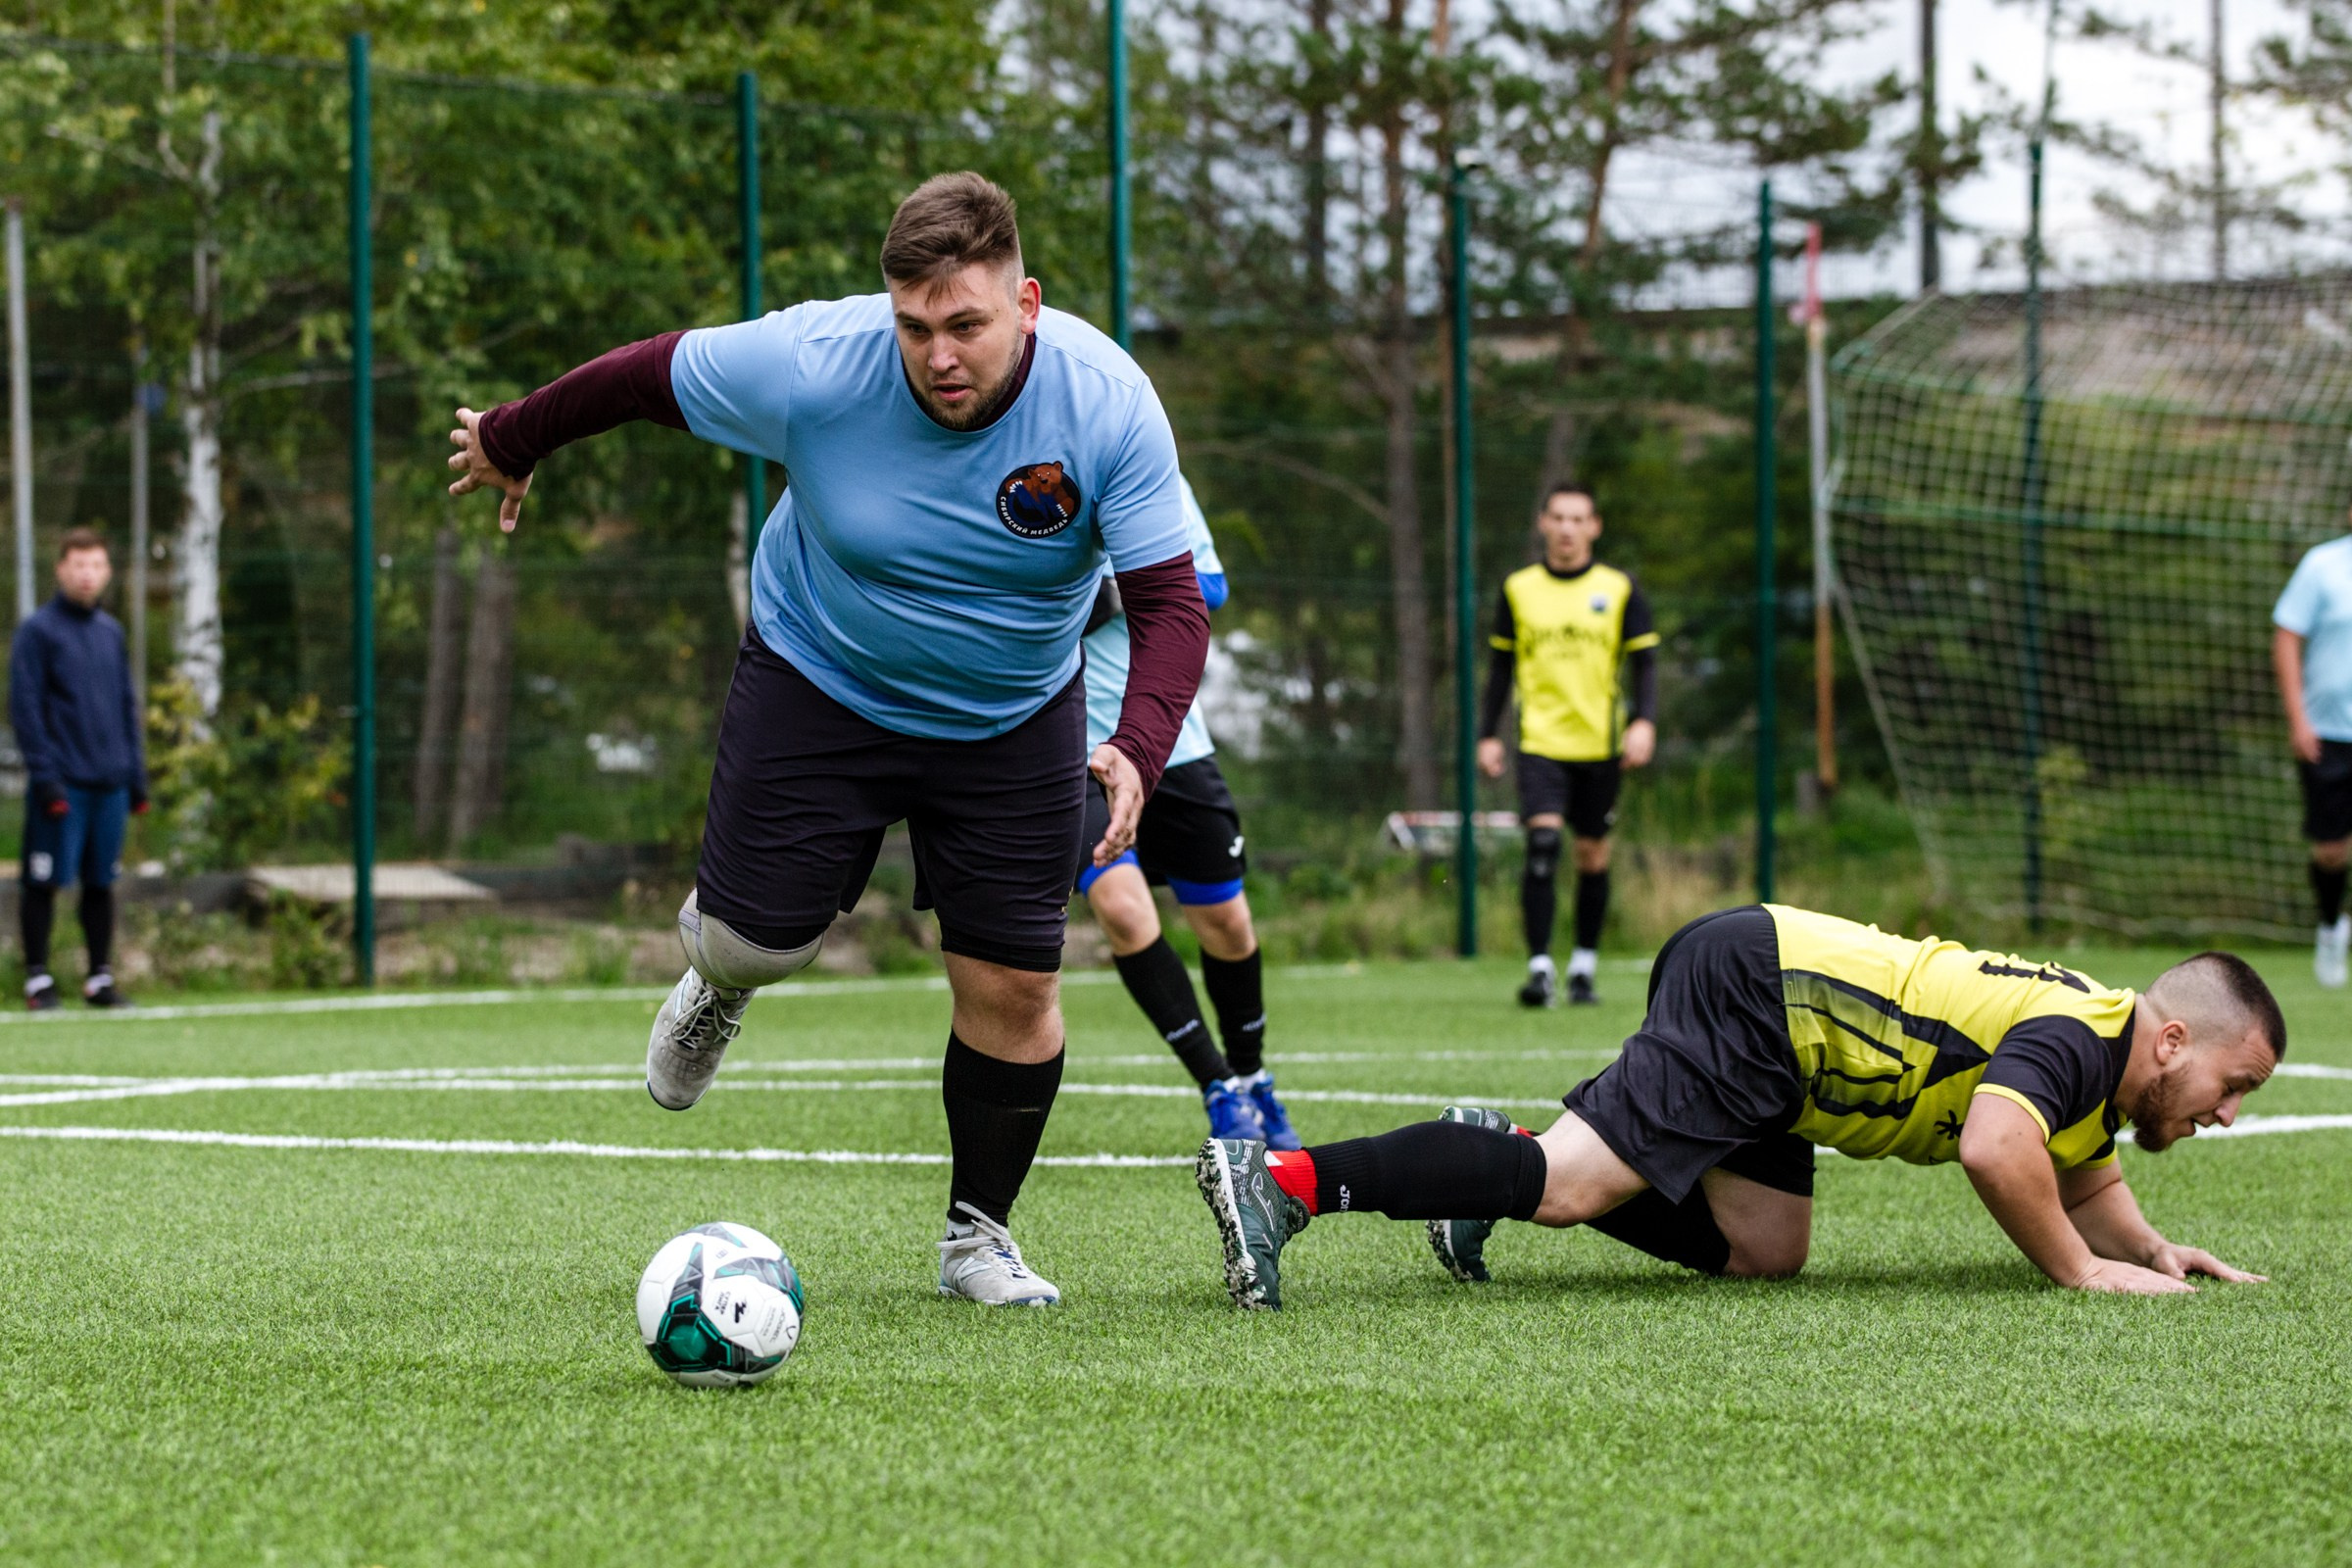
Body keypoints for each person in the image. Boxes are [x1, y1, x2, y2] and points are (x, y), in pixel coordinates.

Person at [446, 172, 1208, 1306]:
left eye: (966, 325)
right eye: (915, 326)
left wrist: (1135, 749)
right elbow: (643, 373)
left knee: (1014, 989)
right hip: (822, 677)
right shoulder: (815, 360)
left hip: (1009, 716)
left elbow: (1169, 607)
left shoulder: (1108, 403)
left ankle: (976, 1238)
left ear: (1027, 302)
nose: (938, 354)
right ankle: (720, 984)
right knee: (756, 940)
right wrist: (514, 437)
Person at [1198, 904, 2281, 1309]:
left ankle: (1489, 1155)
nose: (2229, 1112)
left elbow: (2083, 1169)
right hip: (1763, 992)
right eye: (2234, 1084)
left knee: (1765, 1249)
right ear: (2172, 1039)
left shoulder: (2104, 1068)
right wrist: (2083, 1271)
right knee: (1573, 1189)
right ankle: (1282, 1180)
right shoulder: (2081, 1038)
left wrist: (2150, 1245)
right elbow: (2003, 1149)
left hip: (1793, 1060)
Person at [1076, 474, 1296, 1149]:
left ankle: (1254, 1077)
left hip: (1169, 739)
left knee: (1225, 921)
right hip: (1072, 749)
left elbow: (1209, 584)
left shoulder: (1146, 469)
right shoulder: (998, 480)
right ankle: (1217, 1086)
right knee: (1121, 908)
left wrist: (1107, 597)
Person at [1477, 484, 1657, 1008]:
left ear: (1594, 526)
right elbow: (1500, 667)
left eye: (1578, 519)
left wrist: (1644, 722)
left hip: (1600, 745)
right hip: (1540, 744)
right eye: (1558, 517)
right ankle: (1539, 970)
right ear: (1542, 524)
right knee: (1542, 846)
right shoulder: (1519, 588)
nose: (1567, 528)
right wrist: (1489, 733)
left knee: (1591, 855)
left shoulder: (1620, 588)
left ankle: (1582, 967)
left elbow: (1645, 662)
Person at [9, 529, 147, 1010]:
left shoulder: (111, 633)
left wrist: (136, 775)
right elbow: (25, 709)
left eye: (96, 566)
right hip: (61, 781)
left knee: (101, 883)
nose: (87, 575)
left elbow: (126, 706)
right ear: (61, 569)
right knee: (44, 881)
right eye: (79, 565)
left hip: (108, 782)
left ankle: (99, 979)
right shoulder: (38, 632)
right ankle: (38, 980)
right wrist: (45, 775)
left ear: (107, 572)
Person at [2273, 526, 2352, 987]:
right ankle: (2329, 927)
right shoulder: (2323, 565)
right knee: (2331, 849)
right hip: (2329, 735)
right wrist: (2299, 719)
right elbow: (2286, 636)